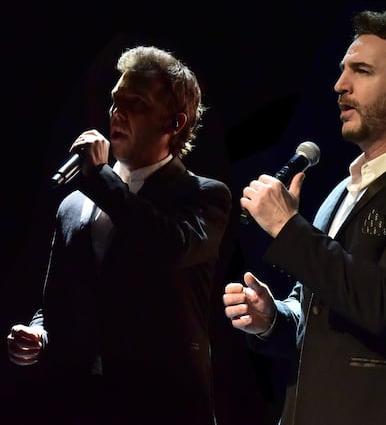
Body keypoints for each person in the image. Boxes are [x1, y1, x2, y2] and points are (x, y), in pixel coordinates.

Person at [223, 10, 386, 425]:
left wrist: (289, 228)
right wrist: (273, 318)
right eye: (343, 71)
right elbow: (319, 310)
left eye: (361, 71)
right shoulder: (343, 190)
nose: (340, 86)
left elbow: (384, 305)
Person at [6, 46, 232, 425]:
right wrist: (38, 334)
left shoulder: (203, 196)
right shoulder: (75, 204)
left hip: (161, 405)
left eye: (136, 102)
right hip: (79, 401)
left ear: (175, 124)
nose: (117, 113)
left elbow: (168, 249)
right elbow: (56, 300)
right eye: (115, 101)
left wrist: (100, 178)